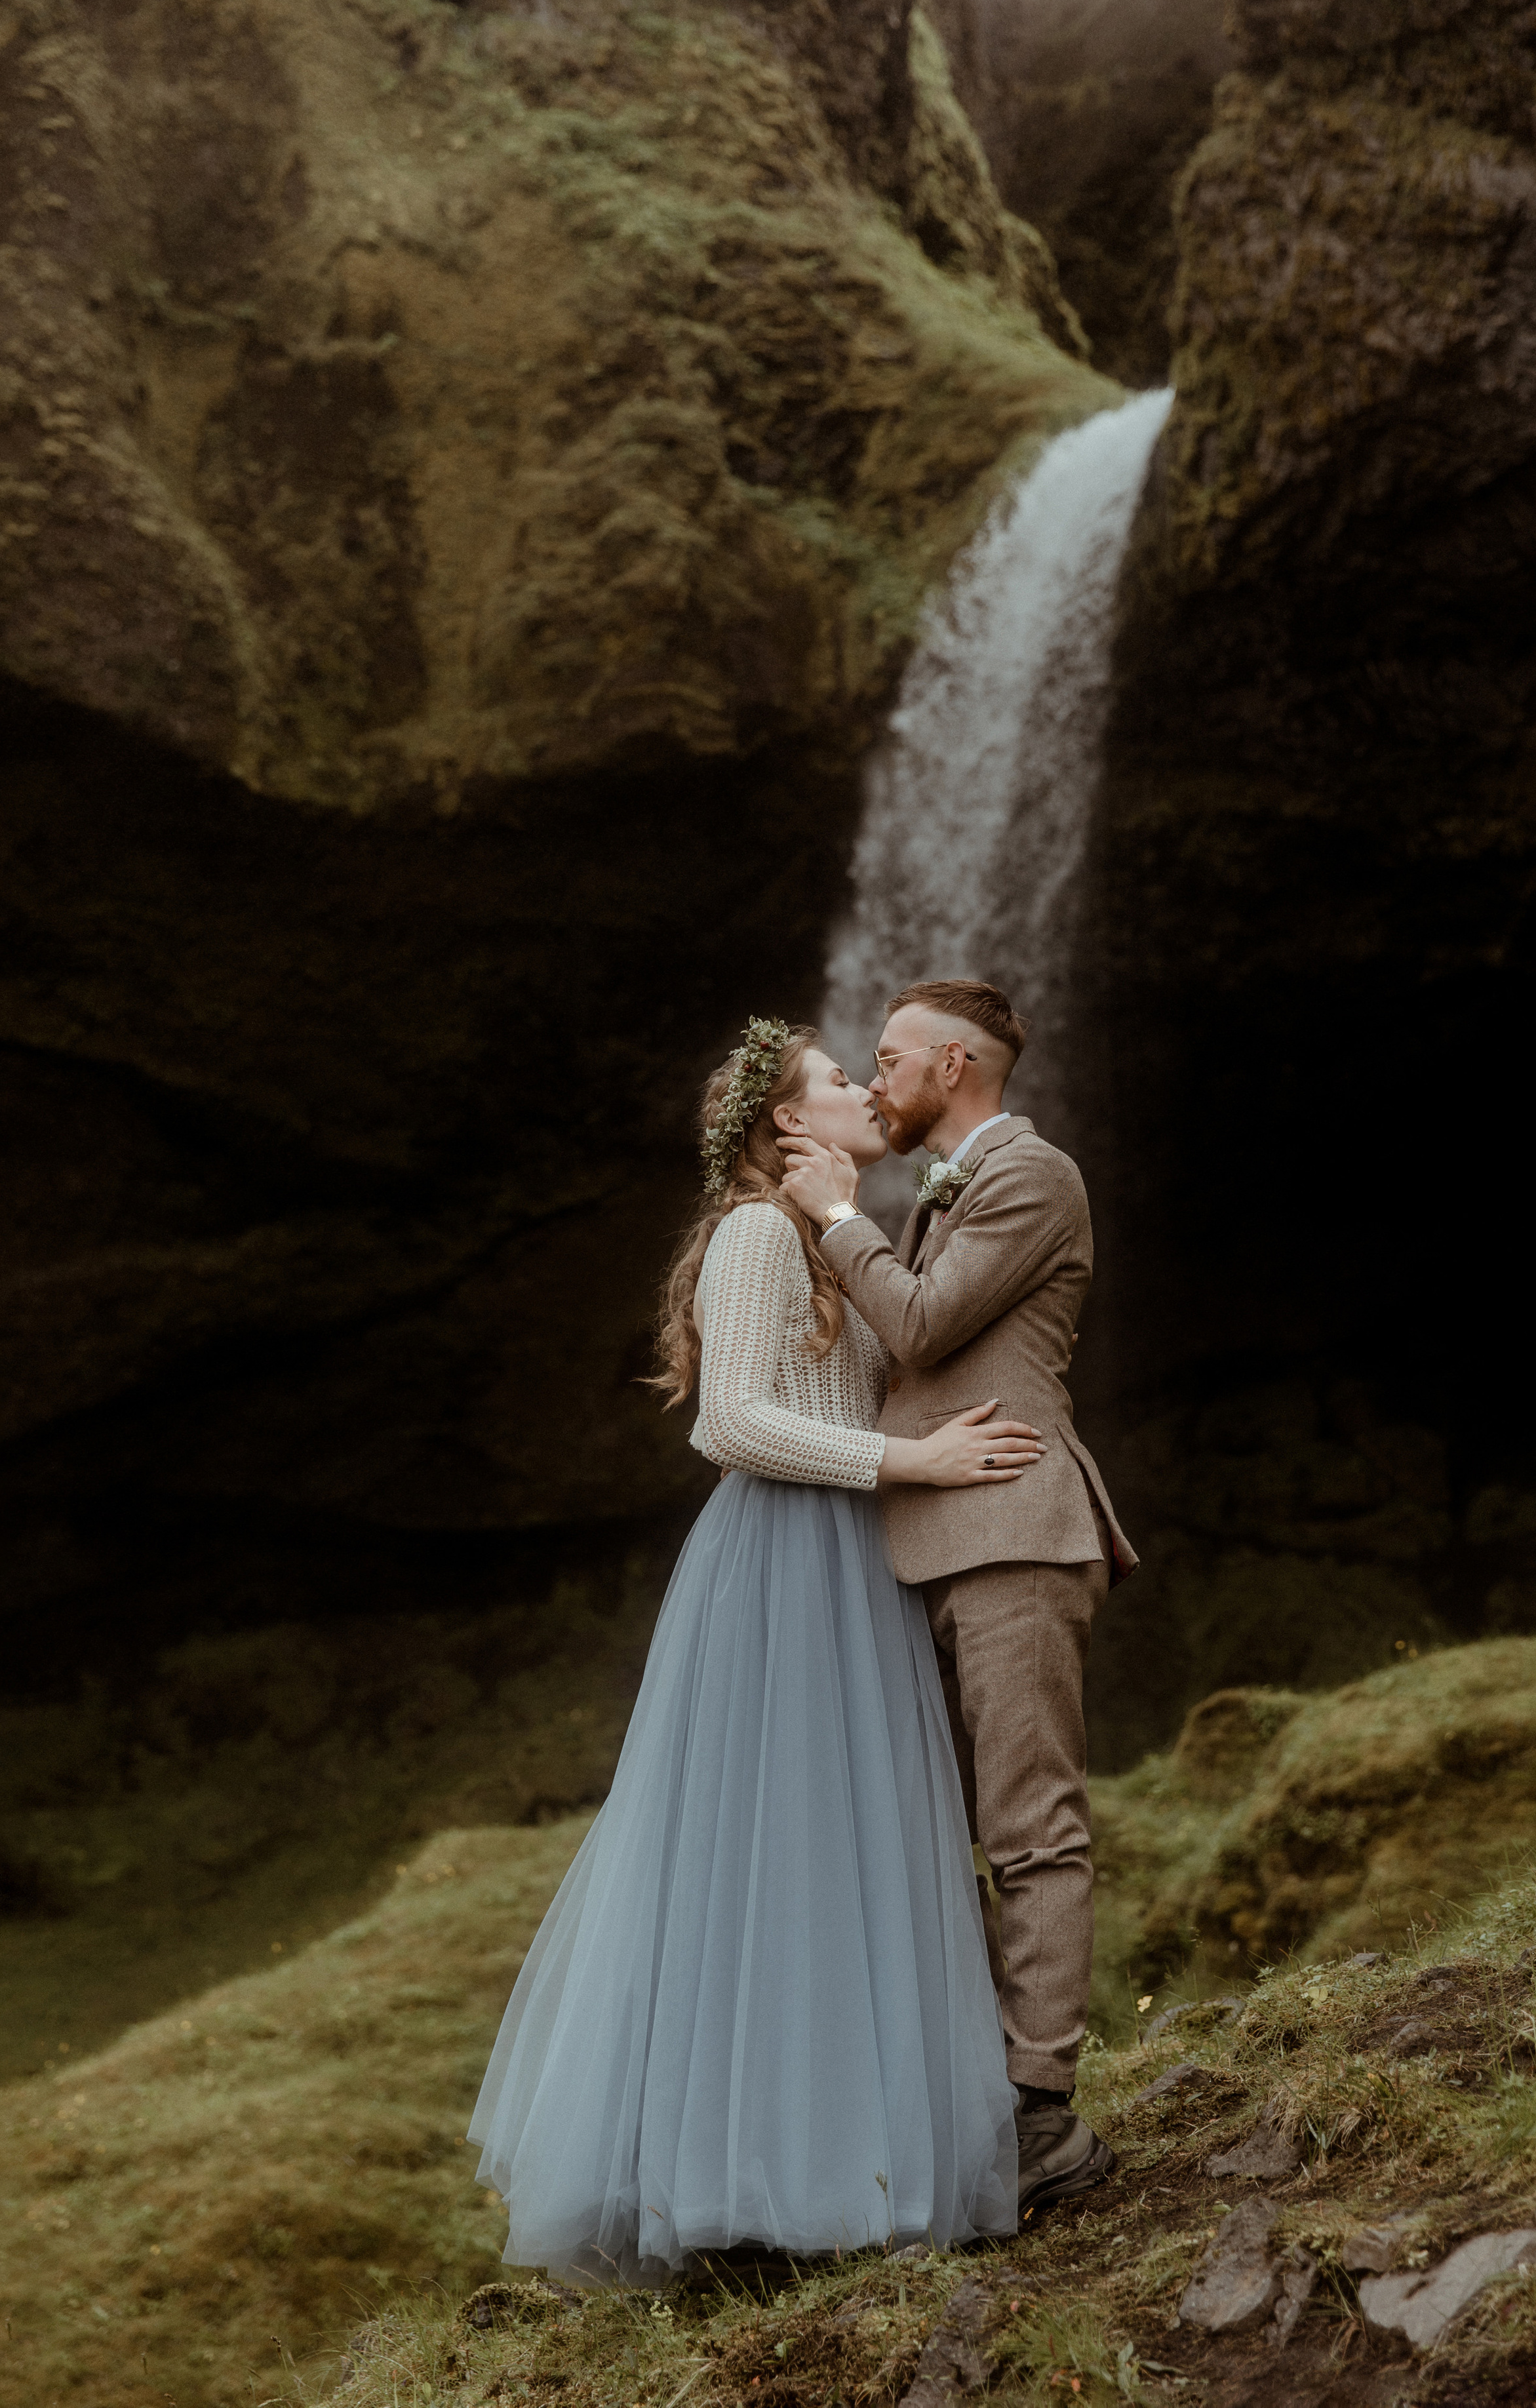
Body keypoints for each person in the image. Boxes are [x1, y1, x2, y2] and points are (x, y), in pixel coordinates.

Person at [469, 1017, 1045, 2285]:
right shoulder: (751, 1235)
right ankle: (736, 2187)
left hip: (853, 1564)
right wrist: (915, 1461)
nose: (865, 1088)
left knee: (846, 1858)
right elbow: (729, 1423)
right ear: (788, 1122)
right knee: (768, 1859)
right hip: (784, 1566)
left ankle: (842, 2168)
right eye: (840, 1078)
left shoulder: (828, 1236)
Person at [780, 978, 1138, 2215]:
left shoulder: (1034, 1174)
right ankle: (959, 2095)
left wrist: (835, 1216)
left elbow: (926, 1326)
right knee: (922, 1830)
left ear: (953, 1066)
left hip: (1014, 1534)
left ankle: (1040, 2117)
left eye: (889, 1059)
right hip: (922, 1545)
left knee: (1031, 1827)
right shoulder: (940, 1190)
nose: (873, 1078)